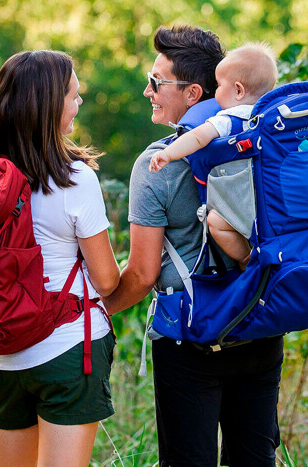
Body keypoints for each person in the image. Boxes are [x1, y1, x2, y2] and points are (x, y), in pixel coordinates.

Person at [104, 26, 284, 466]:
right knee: (254, 458)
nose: (148, 90)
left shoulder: (156, 163)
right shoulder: (265, 143)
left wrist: (95, 308)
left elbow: (144, 274)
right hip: (258, 322)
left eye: (156, 81)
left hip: (190, 335)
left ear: (193, 93)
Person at [0, 50, 120, 467]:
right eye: (73, 96)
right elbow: (107, 281)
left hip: (0, 352)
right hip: (66, 348)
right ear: (49, 107)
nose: (78, 104)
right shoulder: (74, 179)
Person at [149, 42, 278, 269]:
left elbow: (198, 137)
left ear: (238, 90)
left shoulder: (230, 117)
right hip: (273, 202)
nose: (215, 94)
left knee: (215, 222)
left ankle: (247, 260)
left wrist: (168, 154)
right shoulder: (275, 117)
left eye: (218, 86)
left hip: (241, 204)